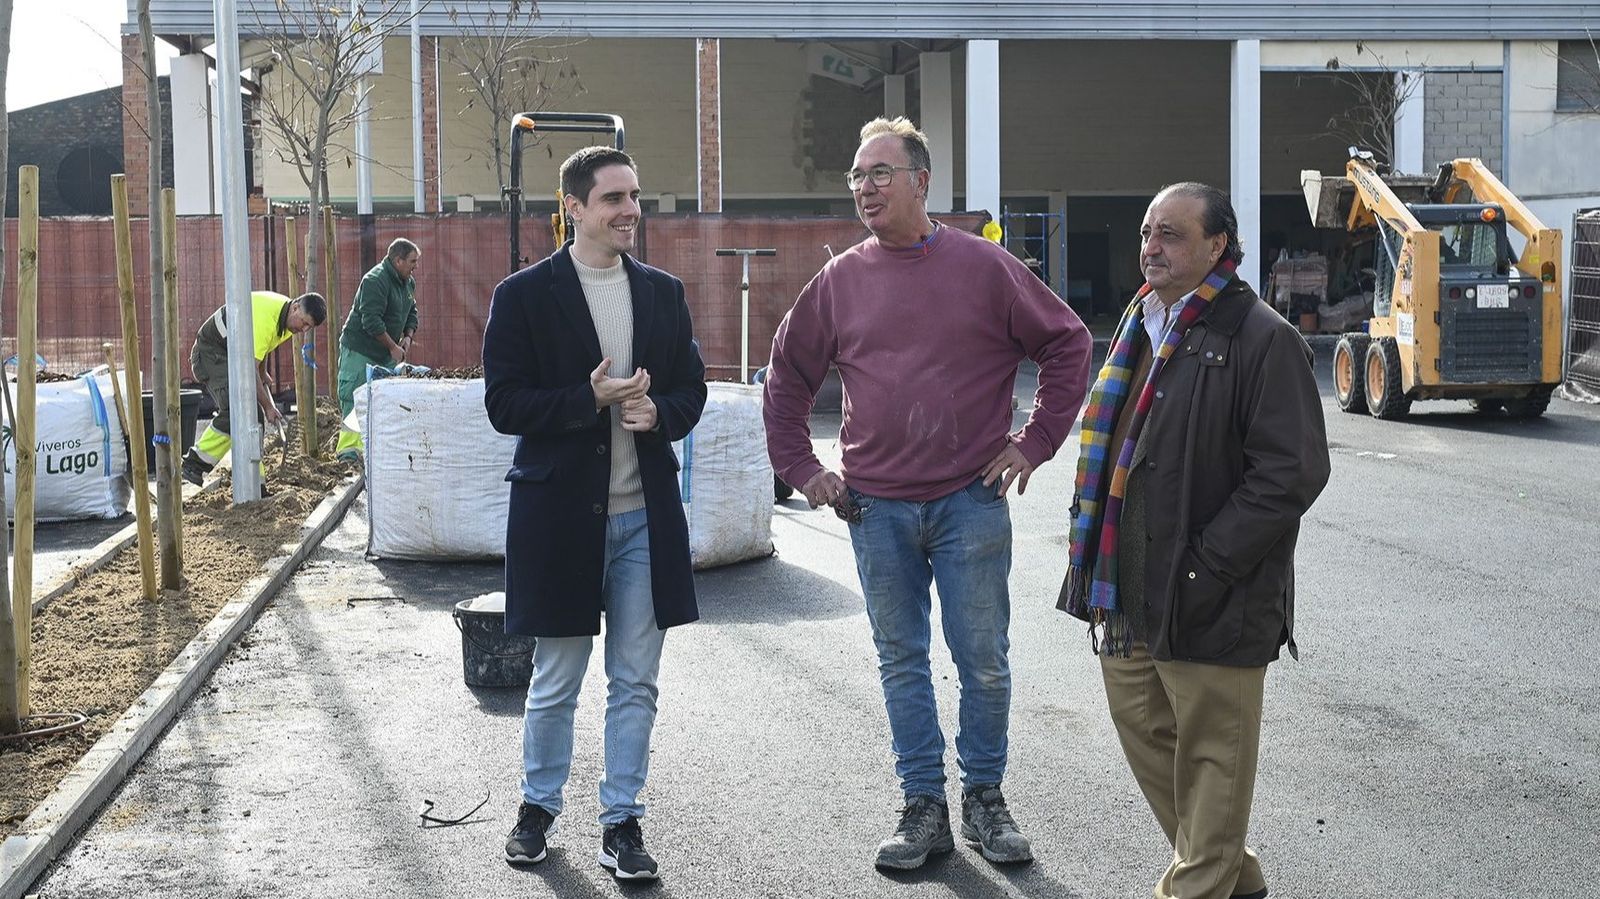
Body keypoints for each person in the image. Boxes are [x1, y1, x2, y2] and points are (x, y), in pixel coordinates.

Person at [763, 117, 1092, 871]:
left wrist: (1034, 441)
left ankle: (984, 798)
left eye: (880, 172)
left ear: (921, 182)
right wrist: (802, 469)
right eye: (856, 175)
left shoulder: (984, 267)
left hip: (969, 500)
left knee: (983, 660)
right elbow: (785, 379)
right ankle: (923, 805)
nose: (866, 187)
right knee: (901, 658)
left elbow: (1069, 342)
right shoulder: (840, 280)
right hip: (872, 508)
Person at [1061, 182, 1330, 899]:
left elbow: (1291, 471)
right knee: (1151, 740)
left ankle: (1199, 882)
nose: (1151, 246)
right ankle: (1230, 875)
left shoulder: (1263, 336)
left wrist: (1210, 564)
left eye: (1171, 234)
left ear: (1218, 245)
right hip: (1128, 592)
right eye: (1148, 232)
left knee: (1212, 759)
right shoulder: (1138, 322)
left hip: (1212, 595)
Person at [482, 146, 706, 881]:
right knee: (557, 676)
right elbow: (504, 404)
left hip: (645, 514)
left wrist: (655, 410)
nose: (629, 210)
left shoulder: (663, 294)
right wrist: (590, 401)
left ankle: (622, 821)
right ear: (573, 207)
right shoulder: (523, 296)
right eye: (613, 198)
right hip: (561, 517)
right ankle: (536, 810)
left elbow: (691, 391)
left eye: (635, 195)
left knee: (636, 678)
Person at [180, 290, 326, 486]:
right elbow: (249, 368)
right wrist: (268, 407)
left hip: (232, 354)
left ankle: (256, 484)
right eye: (305, 322)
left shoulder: (287, 321)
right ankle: (193, 463)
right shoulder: (269, 317)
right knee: (237, 409)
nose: (305, 329)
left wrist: (263, 371)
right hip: (211, 353)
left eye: (310, 327)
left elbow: (260, 346)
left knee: (252, 416)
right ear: (296, 307)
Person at [335, 237, 420, 462]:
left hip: (385, 353)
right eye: (412, 261)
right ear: (398, 260)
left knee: (383, 401)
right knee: (355, 396)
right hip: (360, 350)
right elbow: (370, 320)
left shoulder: (408, 282)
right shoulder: (375, 280)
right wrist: (392, 346)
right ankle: (349, 457)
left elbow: (412, 311)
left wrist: (407, 338)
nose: (415, 266)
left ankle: (375, 452)